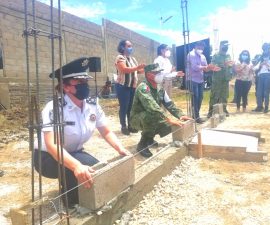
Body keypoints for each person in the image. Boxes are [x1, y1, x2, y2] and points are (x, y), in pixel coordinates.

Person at [34, 57, 129, 207]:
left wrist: (120, 148)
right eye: (79, 83)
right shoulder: (54, 108)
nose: (85, 86)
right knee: (78, 170)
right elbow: (52, 145)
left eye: (86, 82)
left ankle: (81, 192)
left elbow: (106, 131)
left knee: (97, 170)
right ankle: (73, 205)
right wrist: (76, 165)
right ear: (66, 87)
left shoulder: (92, 105)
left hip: (73, 151)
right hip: (47, 157)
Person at [129, 63, 192, 158]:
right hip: (138, 118)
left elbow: (169, 104)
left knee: (172, 125)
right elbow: (152, 107)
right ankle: (142, 144)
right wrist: (168, 118)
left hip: (152, 114)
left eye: (160, 72)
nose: (160, 74)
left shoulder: (160, 88)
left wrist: (180, 115)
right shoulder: (143, 88)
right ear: (148, 74)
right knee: (152, 116)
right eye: (156, 72)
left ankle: (150, 138)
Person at [115, 40, 145, 135]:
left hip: (132, 87)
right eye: (128, 46)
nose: (131, 47)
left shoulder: (133, 59)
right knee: (124, 107)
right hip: (123, 86)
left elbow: (137, 71)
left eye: (131, 46)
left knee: (131, 108)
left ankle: (131, 125)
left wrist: (145, 69)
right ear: (123, 47)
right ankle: (123, 126)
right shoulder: (120, 57)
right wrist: (137, 68)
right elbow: (124, 69)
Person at [207, 40, 233, 118]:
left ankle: (224, 110)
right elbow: (212, 65)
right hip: (217, 79)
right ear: (221, 46)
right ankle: (211, 111)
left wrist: (231, 65)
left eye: (227, 46)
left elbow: (230, 65)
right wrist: (222, 64)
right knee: (215, 95)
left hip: (226, 79)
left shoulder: (228, 55)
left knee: (224, 96)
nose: (226, 47)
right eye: (225, 46)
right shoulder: (216, 55)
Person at [186, 41, 210, 123]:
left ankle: (196, 114)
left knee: (200, 97)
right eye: (199, 47)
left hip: (200, 79)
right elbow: (195, 67)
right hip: (192, 79)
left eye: (202, 48)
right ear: (195, 46)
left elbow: (205, 67)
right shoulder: (191, 55)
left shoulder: (203, 56)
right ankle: (196, 116)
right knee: (195, 98)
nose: (201, 49)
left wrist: (211, 68)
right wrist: (205, 67)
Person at [253, 43, 270, 113]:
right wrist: (260, 65)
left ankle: (267, 106)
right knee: (259, 92)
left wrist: (268, 65)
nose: (265, 49)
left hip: (268, 76)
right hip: (260, 76)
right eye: (264, 48)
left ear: (269, 48)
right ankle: (259, 106)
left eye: (267, 48)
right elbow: (255, 68)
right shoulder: (260, 58)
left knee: (267, 92)